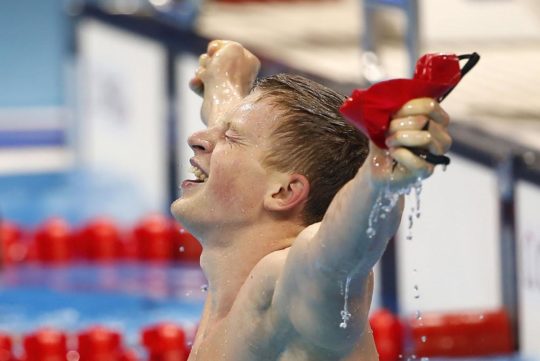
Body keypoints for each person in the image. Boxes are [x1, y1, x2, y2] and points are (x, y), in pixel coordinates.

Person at [171, 40, 451, 361]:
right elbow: (244, 139)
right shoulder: (234, 273)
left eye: (230, 137)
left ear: (285, 192)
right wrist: (226, 85)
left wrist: (380, 175)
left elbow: (337, 257)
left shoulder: (286, 286)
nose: (196, 139)